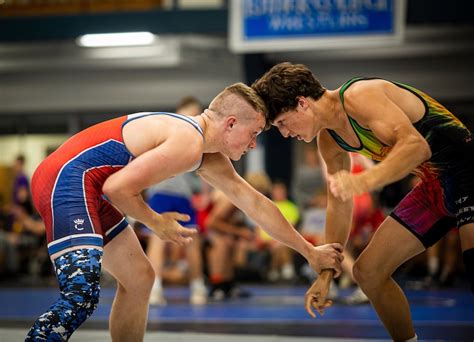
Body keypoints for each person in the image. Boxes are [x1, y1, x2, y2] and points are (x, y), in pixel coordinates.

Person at [28, 82, 344, 341]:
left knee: (139, 278)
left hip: (90, 185)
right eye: (255, 133)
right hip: (67, 178)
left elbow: (255, 203)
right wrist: (156, 223)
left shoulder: (206, 151)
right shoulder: (188, 140)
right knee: (81, 293)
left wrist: (309, 251)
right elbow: (117, 188)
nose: (252, 146)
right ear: (231, 124)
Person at [252, 62, 474, 342]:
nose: (285, 133)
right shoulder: (329, 141)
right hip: (435, 186)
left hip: (468, 169)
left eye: (282, 122)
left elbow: (416, 146)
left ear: (302, 103)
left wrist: (363, 182)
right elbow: (339, 204)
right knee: (368, 273)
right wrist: (327, 274)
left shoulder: (359, 96)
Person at [145, 96, 207, 306]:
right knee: (157, 239)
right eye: (190, 112)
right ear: (179, 113)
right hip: (161, 193)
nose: (194, 116)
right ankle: (155, 289)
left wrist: (205, 194)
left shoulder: (200, 137)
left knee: (191, 240)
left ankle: (198, 287)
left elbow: (207, 168)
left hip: (184, 196)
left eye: (196, 112)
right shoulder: (166, 130)